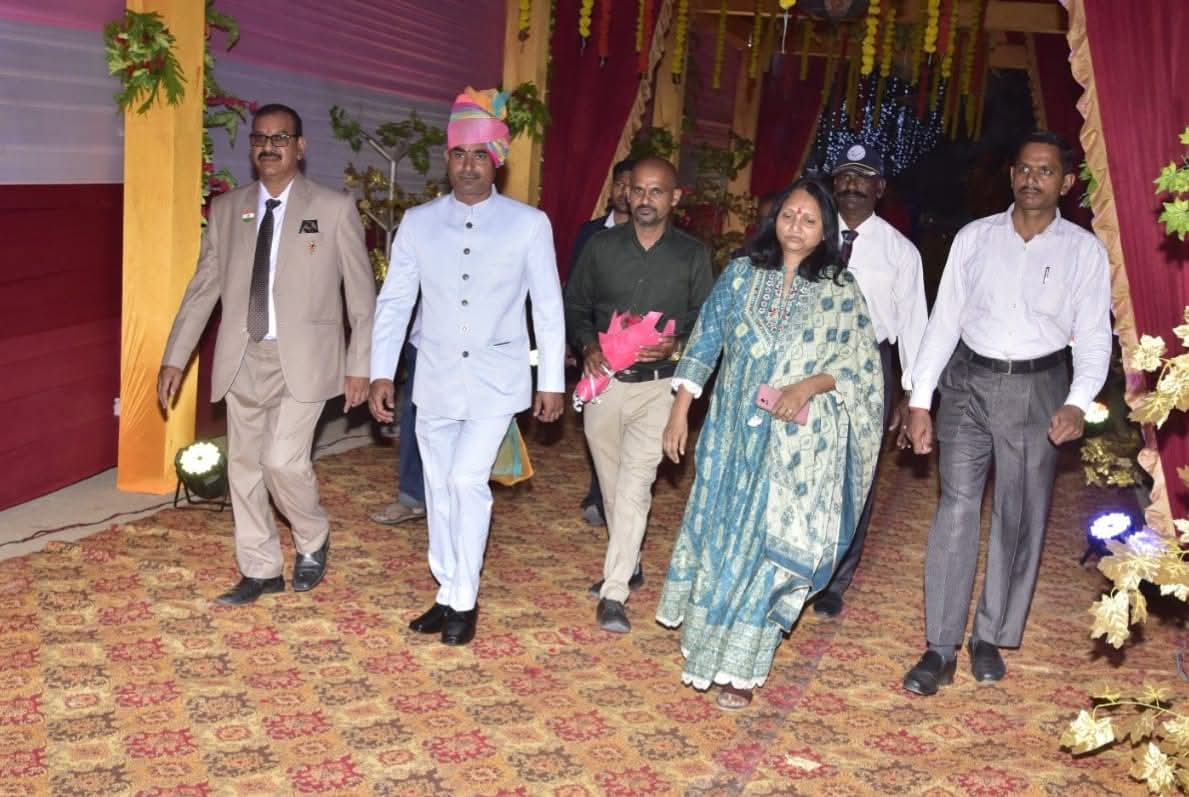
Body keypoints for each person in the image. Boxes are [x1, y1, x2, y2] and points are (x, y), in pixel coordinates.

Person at [657, 178, 884, 709]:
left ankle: (743, 666)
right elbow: (704, 343)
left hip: (797, 449)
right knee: (721, 536)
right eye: (789, 216)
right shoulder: (739, 275)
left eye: (809, 220)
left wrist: (806, 385)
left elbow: (860, 368)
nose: (797, 227)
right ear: (773, 219)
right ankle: (708, 644)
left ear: (826, 229)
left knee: (768, 549)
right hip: (730, 436)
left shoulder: (839, 289)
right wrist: (679, 414)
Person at [901, 131, 1111, 696]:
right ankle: (939, 646)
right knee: (956, 508)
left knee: (1018, 515)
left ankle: (990, 635)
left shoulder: (1084, 252)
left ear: (1065, 182)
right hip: (967, 382)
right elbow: (943, 321)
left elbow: (1093, 338)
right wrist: (920, 399)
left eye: (1045, 171)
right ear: (1010, 174)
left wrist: (1077, 401)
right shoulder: (975, 238)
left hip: (1039, 389)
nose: (1031, 179)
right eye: (1023, 168)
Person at [368, 87, 566, 646]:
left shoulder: (529, 224)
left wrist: (550, 380)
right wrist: (383, 369)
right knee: (436, 487)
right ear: (447, 159)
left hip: (496, 382)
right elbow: (395, 301)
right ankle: (447, 590)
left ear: (497, 162)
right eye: (460, 154)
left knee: (465, 480)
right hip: (431, 379)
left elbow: (548, 307)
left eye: (481, 155)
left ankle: (465, 599)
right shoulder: (419, 222)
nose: (469, 166)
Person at [158, 103, 375, 605]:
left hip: (307, 358)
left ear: (300, 146)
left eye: (281, 137)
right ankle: (260, 569)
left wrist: (361, 364)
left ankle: (313, 535)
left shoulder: (334, 207)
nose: (269, 146)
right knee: (245, 468)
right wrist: (176, 356)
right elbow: (203, 287)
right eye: (260, 138)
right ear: (252, 147)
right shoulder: (229, 209)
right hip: (243, 356)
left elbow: (362, 299)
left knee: (282, 461)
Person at [565, 156, 714, 633]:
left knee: (633, 487)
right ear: (626, 194)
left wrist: (679, 343)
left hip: (660, 390)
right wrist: (587, 344)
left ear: (675, 199)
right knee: (611, 485)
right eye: (638, 191)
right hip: (605, 384)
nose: (645, 200)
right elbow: (575, 305)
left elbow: (708, 323)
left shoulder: (693, 255)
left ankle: (614, 593)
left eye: (656, 192)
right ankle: (626, 560)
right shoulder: (600, 247)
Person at [812, 142, 928, 618]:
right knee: (804, 461)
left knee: (856, 472)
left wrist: (911, 396)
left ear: (880, 187)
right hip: (809, 360)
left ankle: (837, 577)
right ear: (833, 183)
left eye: (864, 177)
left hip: (869, 366)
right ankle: (801, 562)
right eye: (845, 176)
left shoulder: (901, 251)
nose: (853, 184)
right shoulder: (809, 233)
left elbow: (914, 327)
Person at [568, 158, 636, 527]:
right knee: (599, 422)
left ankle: (620, 495)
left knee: (631, 426)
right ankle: (599, 493)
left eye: (632, 185)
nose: (625, 192)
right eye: (620, 184)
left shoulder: (652, 236)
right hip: (595, 345)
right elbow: (575, 289)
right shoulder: (590, 233)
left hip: (638, 345)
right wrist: (577, 341)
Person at [368, 314, 427, 526]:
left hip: (486, 346)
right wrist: (381, 373)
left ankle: (465, 498)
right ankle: (412, 495)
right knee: (415, 412)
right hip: (425, 342)